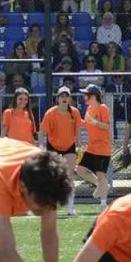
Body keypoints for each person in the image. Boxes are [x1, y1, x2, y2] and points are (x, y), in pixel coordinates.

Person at [40, 86, 85, 217]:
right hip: (53, 146)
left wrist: (79, 145)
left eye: (67, 96)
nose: (64, 99)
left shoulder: (75, 112)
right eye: (62, 96)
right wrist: (42, 147)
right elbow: (42, 132)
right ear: (57, 99)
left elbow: (77, 130)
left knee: (70, 176)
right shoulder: (50, 113)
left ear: (69, 98)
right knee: (52, 177)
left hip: (69, 146)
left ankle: (71, 206)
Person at [80, 84, 113, 210]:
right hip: (91, 147)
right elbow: (87, 125)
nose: (84, 97)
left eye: (86, 95)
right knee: (80, 170)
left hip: (103, 148)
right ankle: (100, 185)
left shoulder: (103, 108)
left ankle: (103, 202)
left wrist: (94, 122)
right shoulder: (88, 109)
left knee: (101, 174)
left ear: (93, 96)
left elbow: (107, 126)